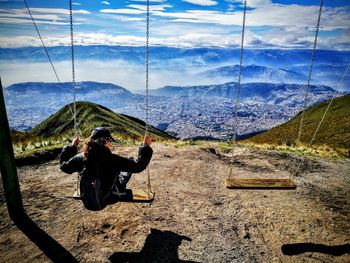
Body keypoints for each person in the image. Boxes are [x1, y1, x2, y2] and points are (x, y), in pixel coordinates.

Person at [59, 127, 153, 199]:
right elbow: (138, 166)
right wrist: (146, 147)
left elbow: (64, 166)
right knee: (124, 172)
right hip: (108, 198)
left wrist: (72, 147)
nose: (111, 144)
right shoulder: (112, 159)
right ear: (105, 141)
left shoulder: (81, 157)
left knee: (120, 170)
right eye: (110, 141)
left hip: (87, 199)